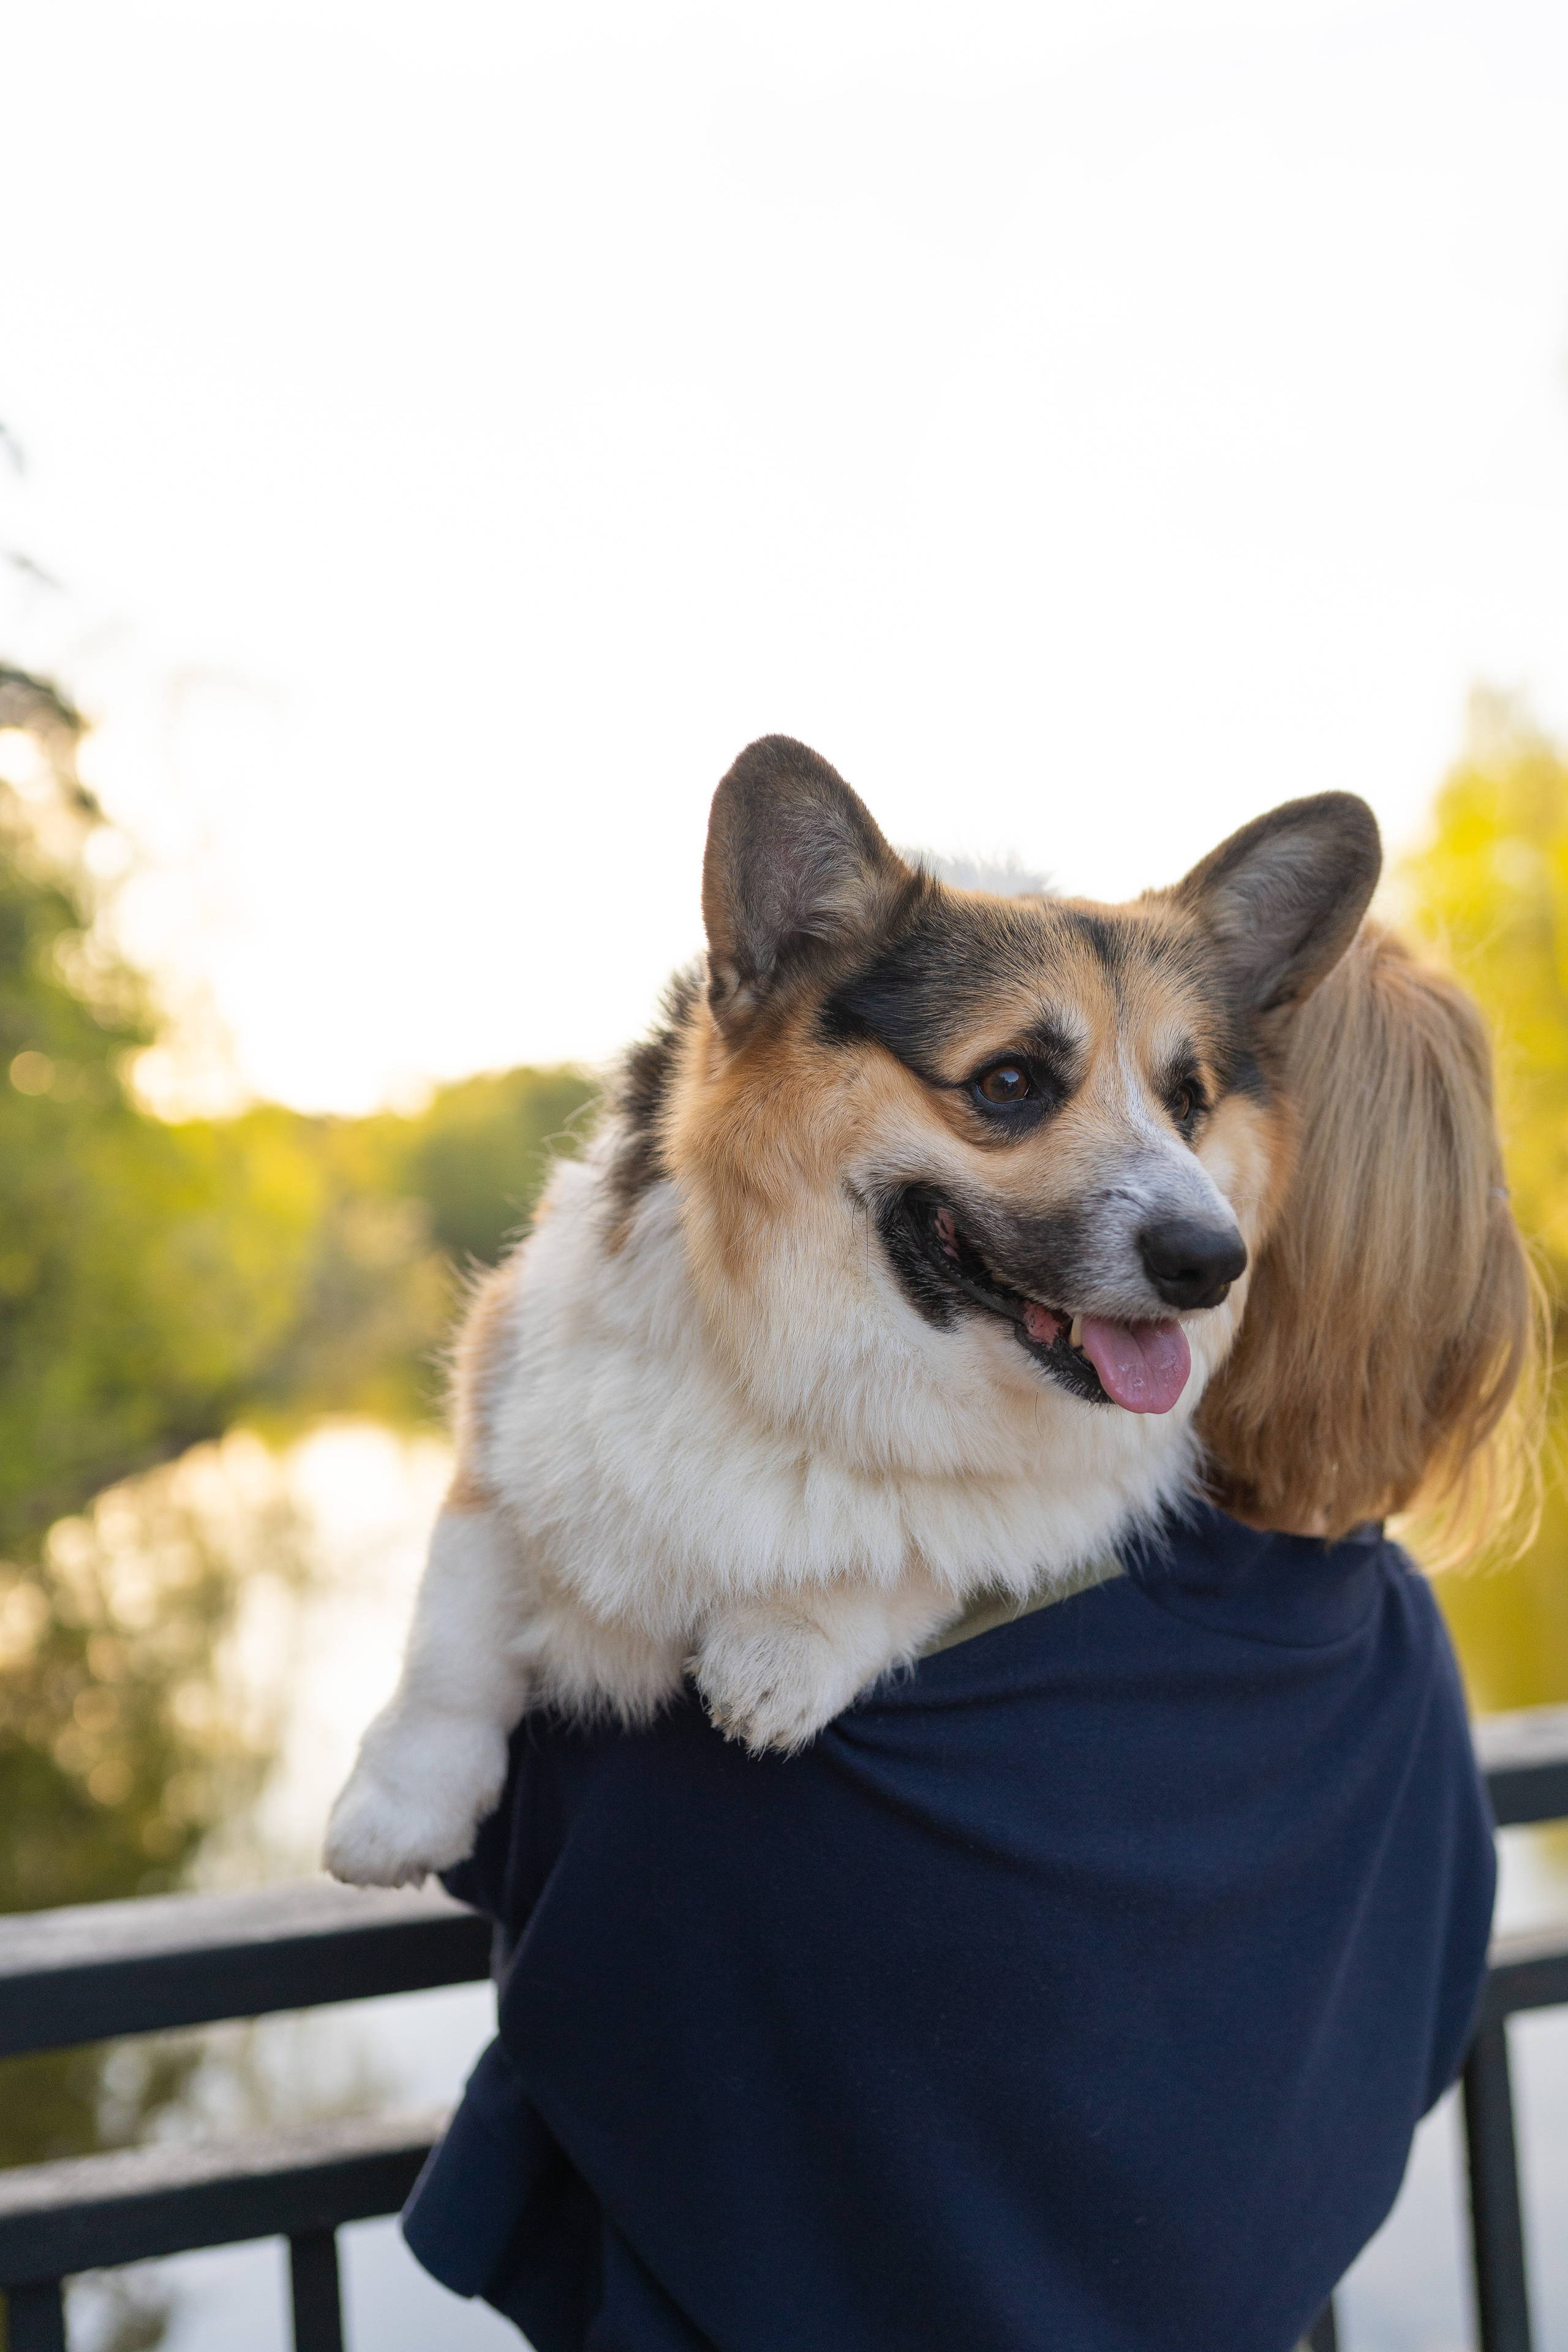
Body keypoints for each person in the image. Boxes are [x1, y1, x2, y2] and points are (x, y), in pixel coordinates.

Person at [401, 923, 1540, 2352]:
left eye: (1176, 1099)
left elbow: (523, 1870)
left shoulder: (843, 1685)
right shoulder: (1396, 1654)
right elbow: (1402, 2046)